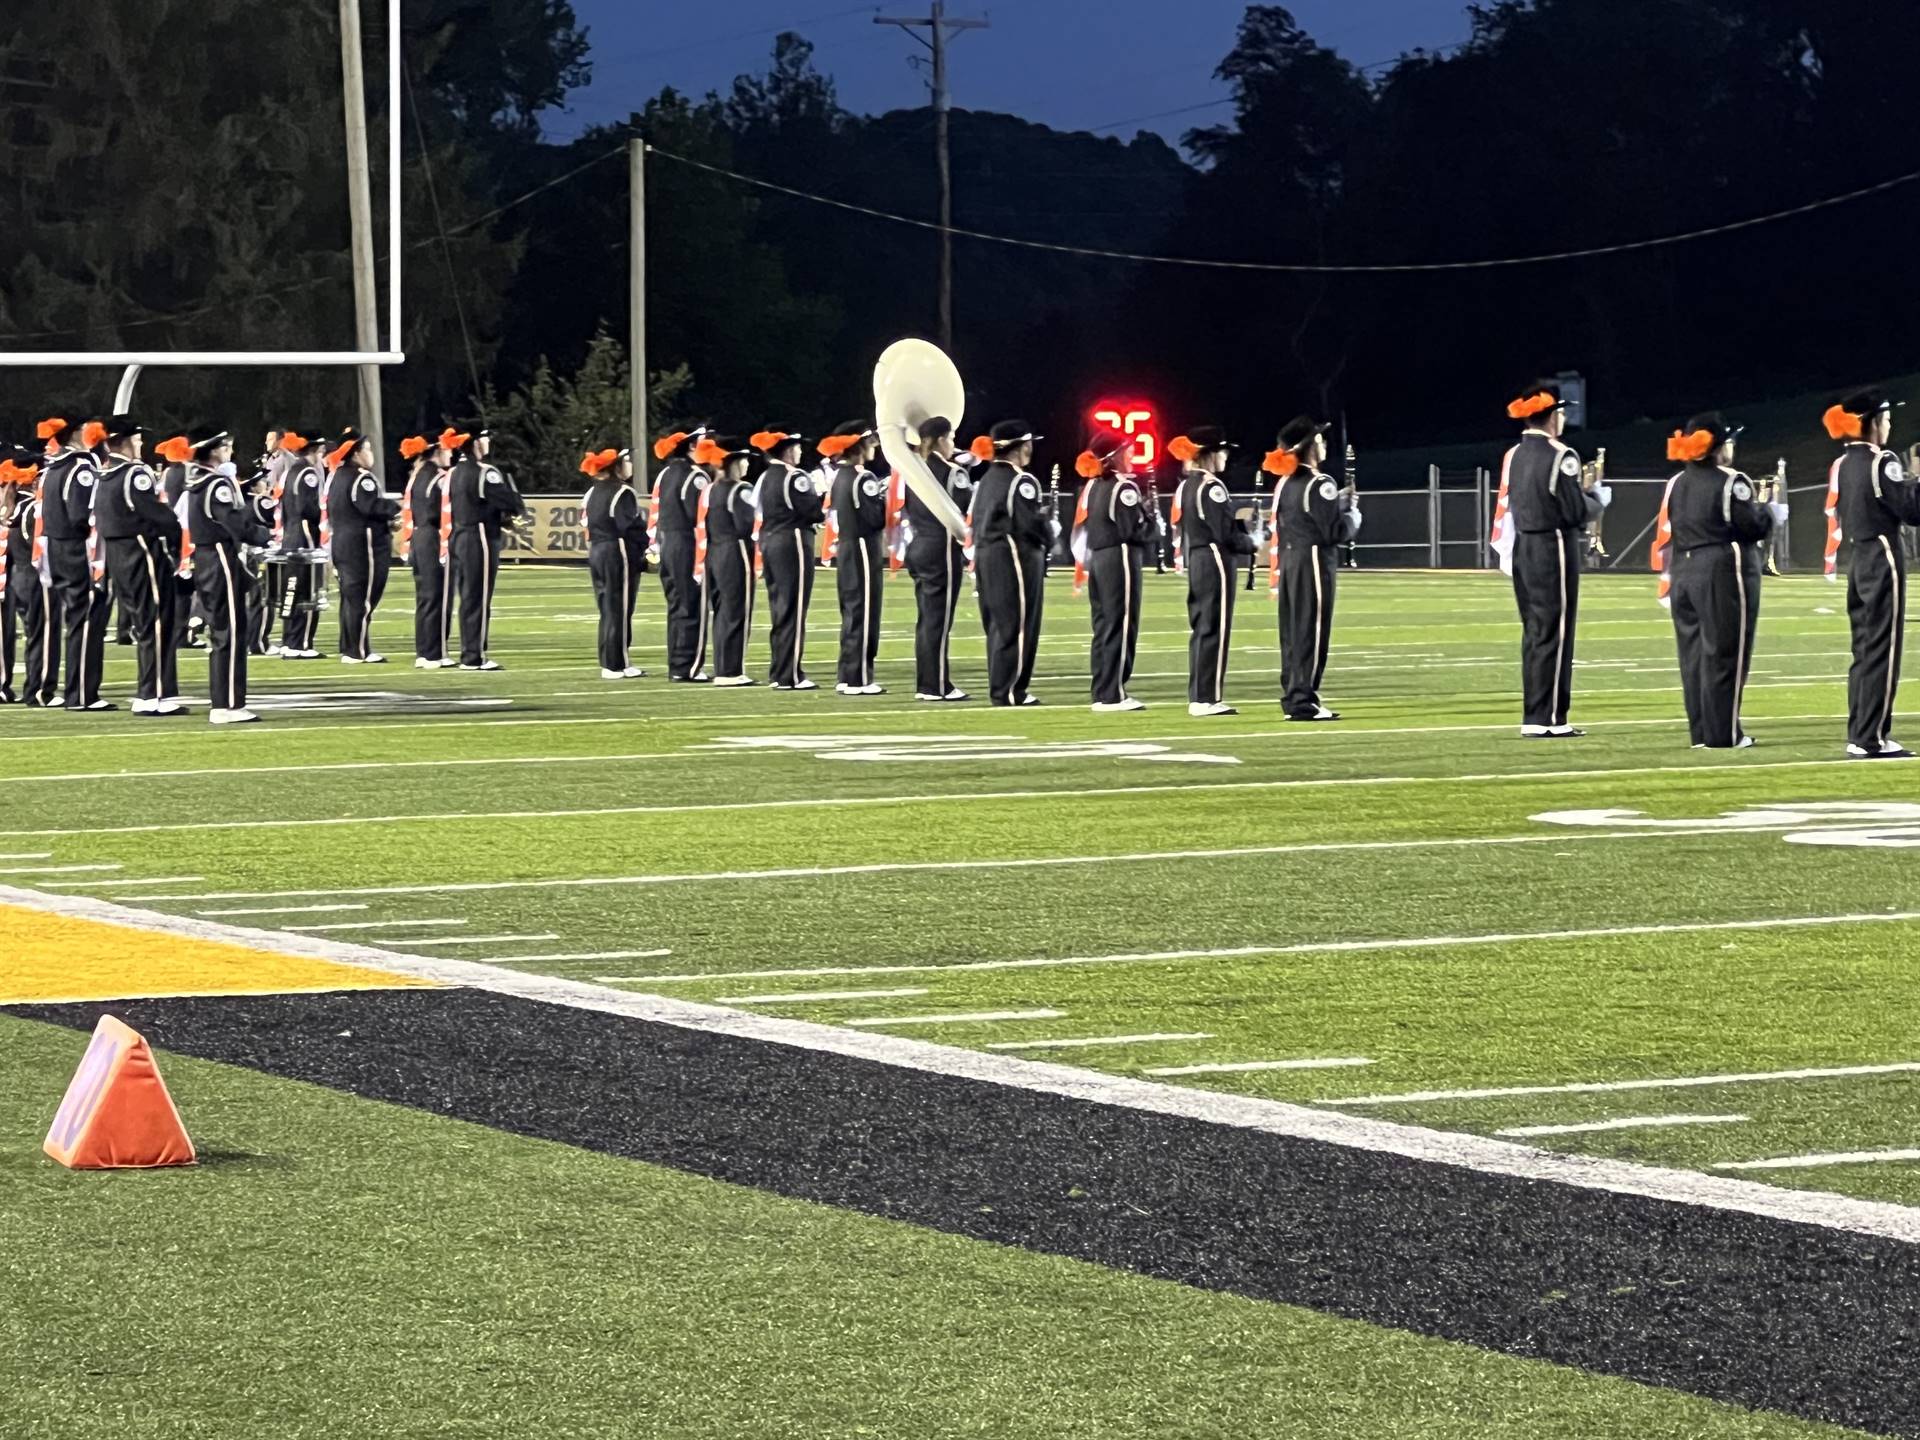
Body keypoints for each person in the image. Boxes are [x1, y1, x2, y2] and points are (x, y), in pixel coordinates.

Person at [1654, 413, 1777, 750]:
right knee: (1726, 652)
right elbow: (1750, 526)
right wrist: (1769, 513)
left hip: (1684, 568)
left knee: (1693, 656)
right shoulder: (1731, 480)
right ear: (1719, 447)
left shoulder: (1677, 481)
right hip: (1721, 568)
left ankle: (1702, 733)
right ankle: (1724, 734)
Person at [1498, 381, 1610, 738]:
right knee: (1556, 632)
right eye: (1560, 412)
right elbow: (1574, 510)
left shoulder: (1514, 454)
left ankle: (1534, 712)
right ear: (1550, 416)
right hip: (1552, 546)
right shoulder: (1562, 455)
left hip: (1523, 548)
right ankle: (1550, 717)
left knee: (1534, 632)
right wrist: (1597, 498)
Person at [1824, 389, 1920, 758]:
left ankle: (1860, 731)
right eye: (1886, 417)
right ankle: (1871, 737)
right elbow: (1911, 511)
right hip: (1882, 556)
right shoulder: (1882, 460)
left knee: (1864, 648)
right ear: (1872, 424)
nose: (1890, 423)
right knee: (1884, 647)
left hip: (1858, 557)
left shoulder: (1844, 462)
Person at [1267, 416, 1360, 722]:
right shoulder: (1321, 483)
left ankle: (1294, 694)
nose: (1323, 444)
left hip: (1291, 560)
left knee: (1293, 632)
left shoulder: (1287, 483)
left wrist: (1338, 505)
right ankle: (1304, 699)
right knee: (1313, 630)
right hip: (1313, 561)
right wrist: (1352, 518)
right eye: (1318, 440)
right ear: (1308, 447)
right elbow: (1332, 532)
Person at [95, 415, 183, 716]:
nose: (141, 443)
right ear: (124, 442)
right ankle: (152, 693)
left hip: (118, 555)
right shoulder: (133, 473)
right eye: (136, 438)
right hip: (142, 551)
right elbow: (155, 514)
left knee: (145, 623)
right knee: (156, 622)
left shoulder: (104, 474)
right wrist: (175, 535)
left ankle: (159, 690)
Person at [182, 426, 271, 724]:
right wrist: (266, 535)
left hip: (208, 558)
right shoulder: (216, 484)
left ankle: (226, 701)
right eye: (226, 447)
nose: (229, 451)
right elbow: (234, 522)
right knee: (230, 632)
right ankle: (228, 703)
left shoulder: (198, 481)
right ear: (215, 450)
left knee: (225, 631)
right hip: (219, 557)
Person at [1171, 427, 1252, 717]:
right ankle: (1207, 697)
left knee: (1203, 627)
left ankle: (1200, 695)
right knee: (1214, 628)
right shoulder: (1211, 486)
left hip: (1198, 557)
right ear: (1209, 454)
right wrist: (1250, 542)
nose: (1226, 456)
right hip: (1215, 558)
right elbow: (1225, 533)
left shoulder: (1187, 485)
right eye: (1222, 451)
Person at [35, 415, 112, 711]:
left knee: (77, 619)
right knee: (86, 618)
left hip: (57, 547)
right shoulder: (81, 466)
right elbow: (82, 514)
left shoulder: (55, 466)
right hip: (74, 549)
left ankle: (78, 691)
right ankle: (82, 694)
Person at [971, 420, 1051, 706]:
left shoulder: (988, 478)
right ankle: (1010, 689)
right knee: (1017, 623)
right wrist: (1049, 534)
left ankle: (1002, 686)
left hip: (987, 554)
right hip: (1013, 554)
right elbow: (1028, 524)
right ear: (1023, 446)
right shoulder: (1021, 480)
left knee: (998, 624)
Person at [1075, 429, 1149, 712]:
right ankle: (1113, 693)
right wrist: (1152, 525)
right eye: (1127, 449)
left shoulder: (1093, 485)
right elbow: (1132, 530)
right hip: (1120, 557)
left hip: (1099, 558)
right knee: (1121, 623)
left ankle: (1102, 689)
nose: (1131, 454)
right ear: (1115, 455)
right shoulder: (1123, 487)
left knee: (1104, 624)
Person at [448, 425, 526, 671]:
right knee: (478, 597)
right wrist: (513, 511)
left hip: (459, 535)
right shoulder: (483, 472)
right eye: (484, 439)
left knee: (469, 596)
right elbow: (506, 499)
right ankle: (474, 655)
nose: (488, 443)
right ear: (474, 444)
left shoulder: (454, 471)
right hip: (478, 536)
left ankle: (470, 651)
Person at [904, 416, 970, 702]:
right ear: (942, 439)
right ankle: (936, 685)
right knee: (938, 621)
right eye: (951, 438)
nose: (953, 444)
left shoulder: (914, 469)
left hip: (918, 544)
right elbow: (963, 509)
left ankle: (927, 682)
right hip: (941, 547)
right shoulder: (952, 472)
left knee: (927, 619)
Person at [753, 429, 823, 691]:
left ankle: (779, 669)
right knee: (793, 608)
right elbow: (812, 512)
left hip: (771, 540)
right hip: (792, 540)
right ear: (786, 451)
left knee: (780, 607)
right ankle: (789, 674)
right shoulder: (794, 476)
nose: (800, 451)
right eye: (796, 447)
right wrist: (821, 494)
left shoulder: (766, 476)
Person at [326, 428, 401, 664]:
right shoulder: (361, 477)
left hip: (342, 542)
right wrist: (395, 510)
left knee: (351, 599)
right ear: (356, 453)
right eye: (367, 449)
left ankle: (352, 646)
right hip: (363, 545)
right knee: (363, 598)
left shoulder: (337, 476)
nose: (371, 454)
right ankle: (357, 651)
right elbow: (369, 506)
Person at [823, 422, 887, 696]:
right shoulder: (863, 478)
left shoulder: (840, 475)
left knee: (852, 611)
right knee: (864, 611)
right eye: (870, 441)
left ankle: (848, 674)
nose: (874, 446)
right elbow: (875, 518)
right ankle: (858, 677)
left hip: (849, 546)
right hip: (862, 546)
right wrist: (884, 500)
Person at [581, 445, 649, 679]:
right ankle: (617, 663)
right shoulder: (623, 492)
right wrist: (645, 550)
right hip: (617, 548)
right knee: (620, 607)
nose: (630, 465)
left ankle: (609, 660)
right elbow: (630, 526)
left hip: (597, 549)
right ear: (615, 467)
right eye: (626, 461)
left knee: (607, 607)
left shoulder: (592, 491)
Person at [650, 427, 711, 682]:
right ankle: (687, 665)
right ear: (690, 447)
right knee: (691, 604)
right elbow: (699, 515)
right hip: (686, 542)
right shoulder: (696, 476)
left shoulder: (665, 474)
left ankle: (677, 661)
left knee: (676, 605)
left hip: (667, 542)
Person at [700, 436, 759, 687]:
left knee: (722, 612)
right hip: (736, 551)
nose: (746, 465)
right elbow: (747, 525)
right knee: (736, 611)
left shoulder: (710, 488)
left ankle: (723, 667)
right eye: (743, 459)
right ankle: (731, 670)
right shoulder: (741, 489)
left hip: (713, 551)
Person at [276, 430, 327, 660]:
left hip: (290, 534)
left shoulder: (290, 472)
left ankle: (289, 640)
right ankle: (302, 642)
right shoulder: (308, 473)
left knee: (290, 591)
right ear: (314, 450)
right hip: (304, 535)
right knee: (307, 592)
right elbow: (308, 509)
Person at [0, 449, 45, 704]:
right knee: (36, 633)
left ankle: (5, 685)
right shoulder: (30, 507)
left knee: (7, 634)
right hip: (27, 573)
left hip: (10, 575)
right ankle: (35, 688)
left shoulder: (10, 503)